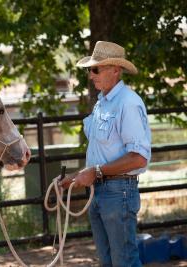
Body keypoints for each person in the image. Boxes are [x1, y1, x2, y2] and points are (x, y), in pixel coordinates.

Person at [58, 41, 151, 267]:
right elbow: (101, 153)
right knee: (109, 261)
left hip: (118, 193)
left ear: (115, 70)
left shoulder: (127, 103)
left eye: (96, 69)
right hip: (103, 192)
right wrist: (78, 177)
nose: (91, 75)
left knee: (123, 261)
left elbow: (139, 157)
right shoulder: (102, 103)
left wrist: (96, 172)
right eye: (90, 69)